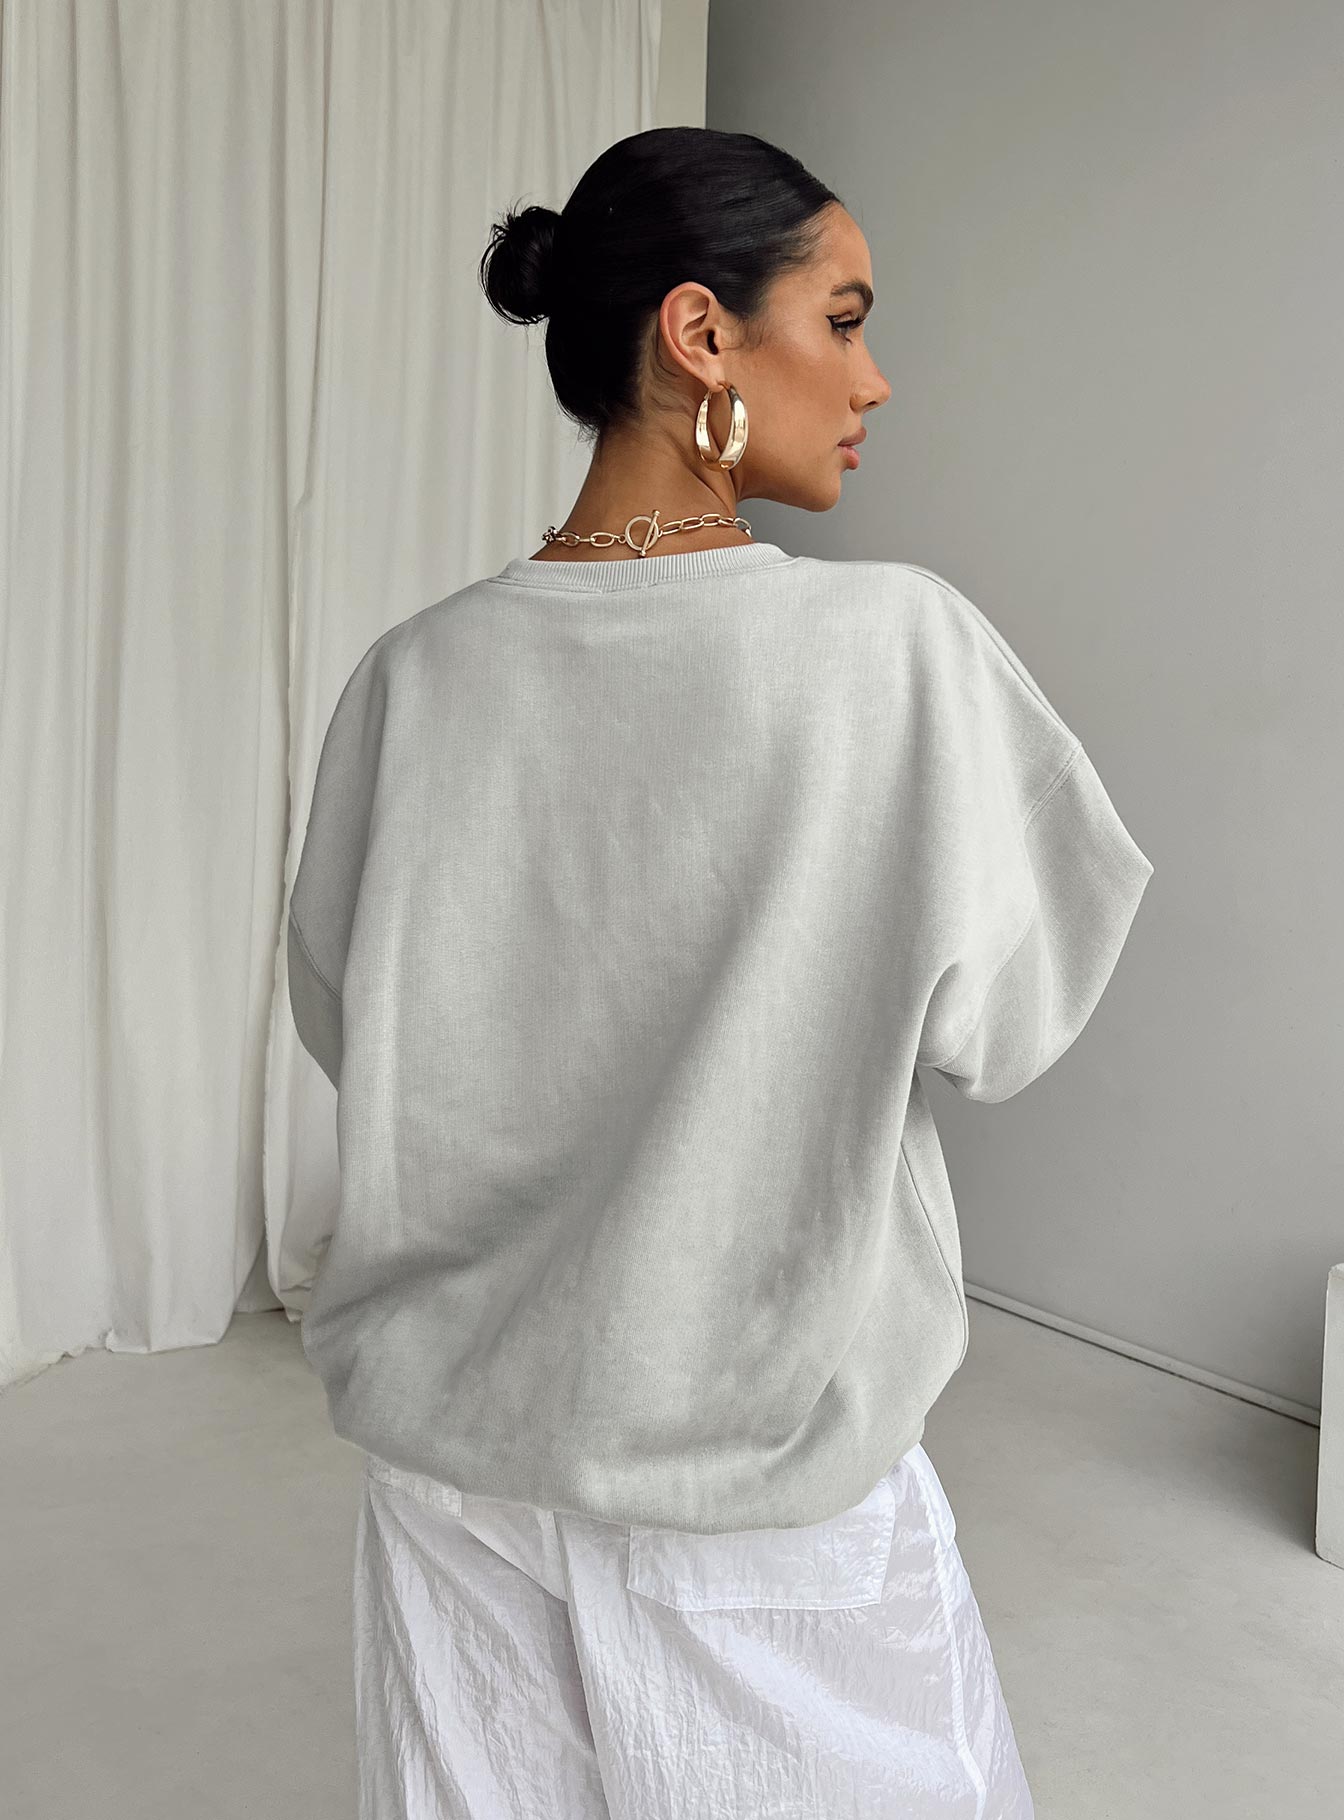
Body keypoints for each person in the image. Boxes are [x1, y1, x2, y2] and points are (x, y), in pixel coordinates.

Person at [287, 125, 1154, 1819]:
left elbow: (354, 1023)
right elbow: (1011, 1017)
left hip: (451, 1476)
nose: (875, 378)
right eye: (844, 319)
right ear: (700, 334)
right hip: (761, 1487)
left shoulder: (413, 679)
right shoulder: (895, 651)